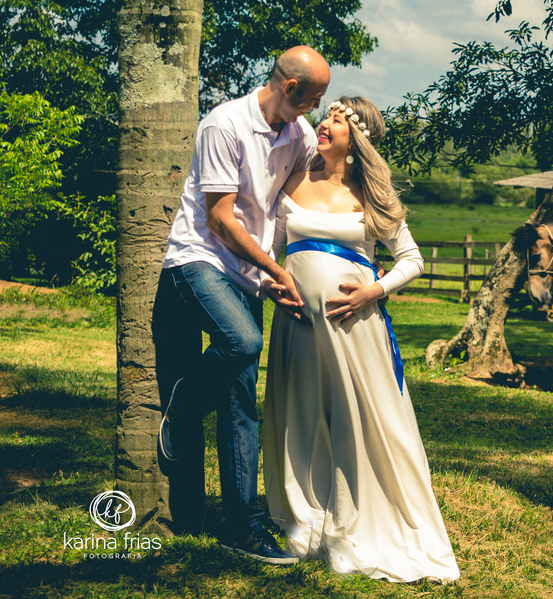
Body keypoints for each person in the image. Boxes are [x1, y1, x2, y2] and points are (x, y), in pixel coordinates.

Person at [261, 96, 460, 583]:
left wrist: (374, 290)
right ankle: (306, 517)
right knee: (300, 414)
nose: (323, 123)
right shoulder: (293, 179)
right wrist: (269, 284)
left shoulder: (372, 196)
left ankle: (366, 515)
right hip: (297, 324)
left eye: (336, 119)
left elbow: (412, 259)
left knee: (361, 420)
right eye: (325, 115)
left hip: (354, 327)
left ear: (357, 142)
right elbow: (270, 248)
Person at [155, 45, 330, 564]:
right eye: (314, 98)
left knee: (241, 400)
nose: (317, 109)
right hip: (197, 259)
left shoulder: (298, 135)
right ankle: (183, 410)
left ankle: (242, 524)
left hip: (247, 273)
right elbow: (219, 219)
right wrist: (275, 269)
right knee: (243, 340)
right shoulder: (224, 124)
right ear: (290, 88)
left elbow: (297, 204)